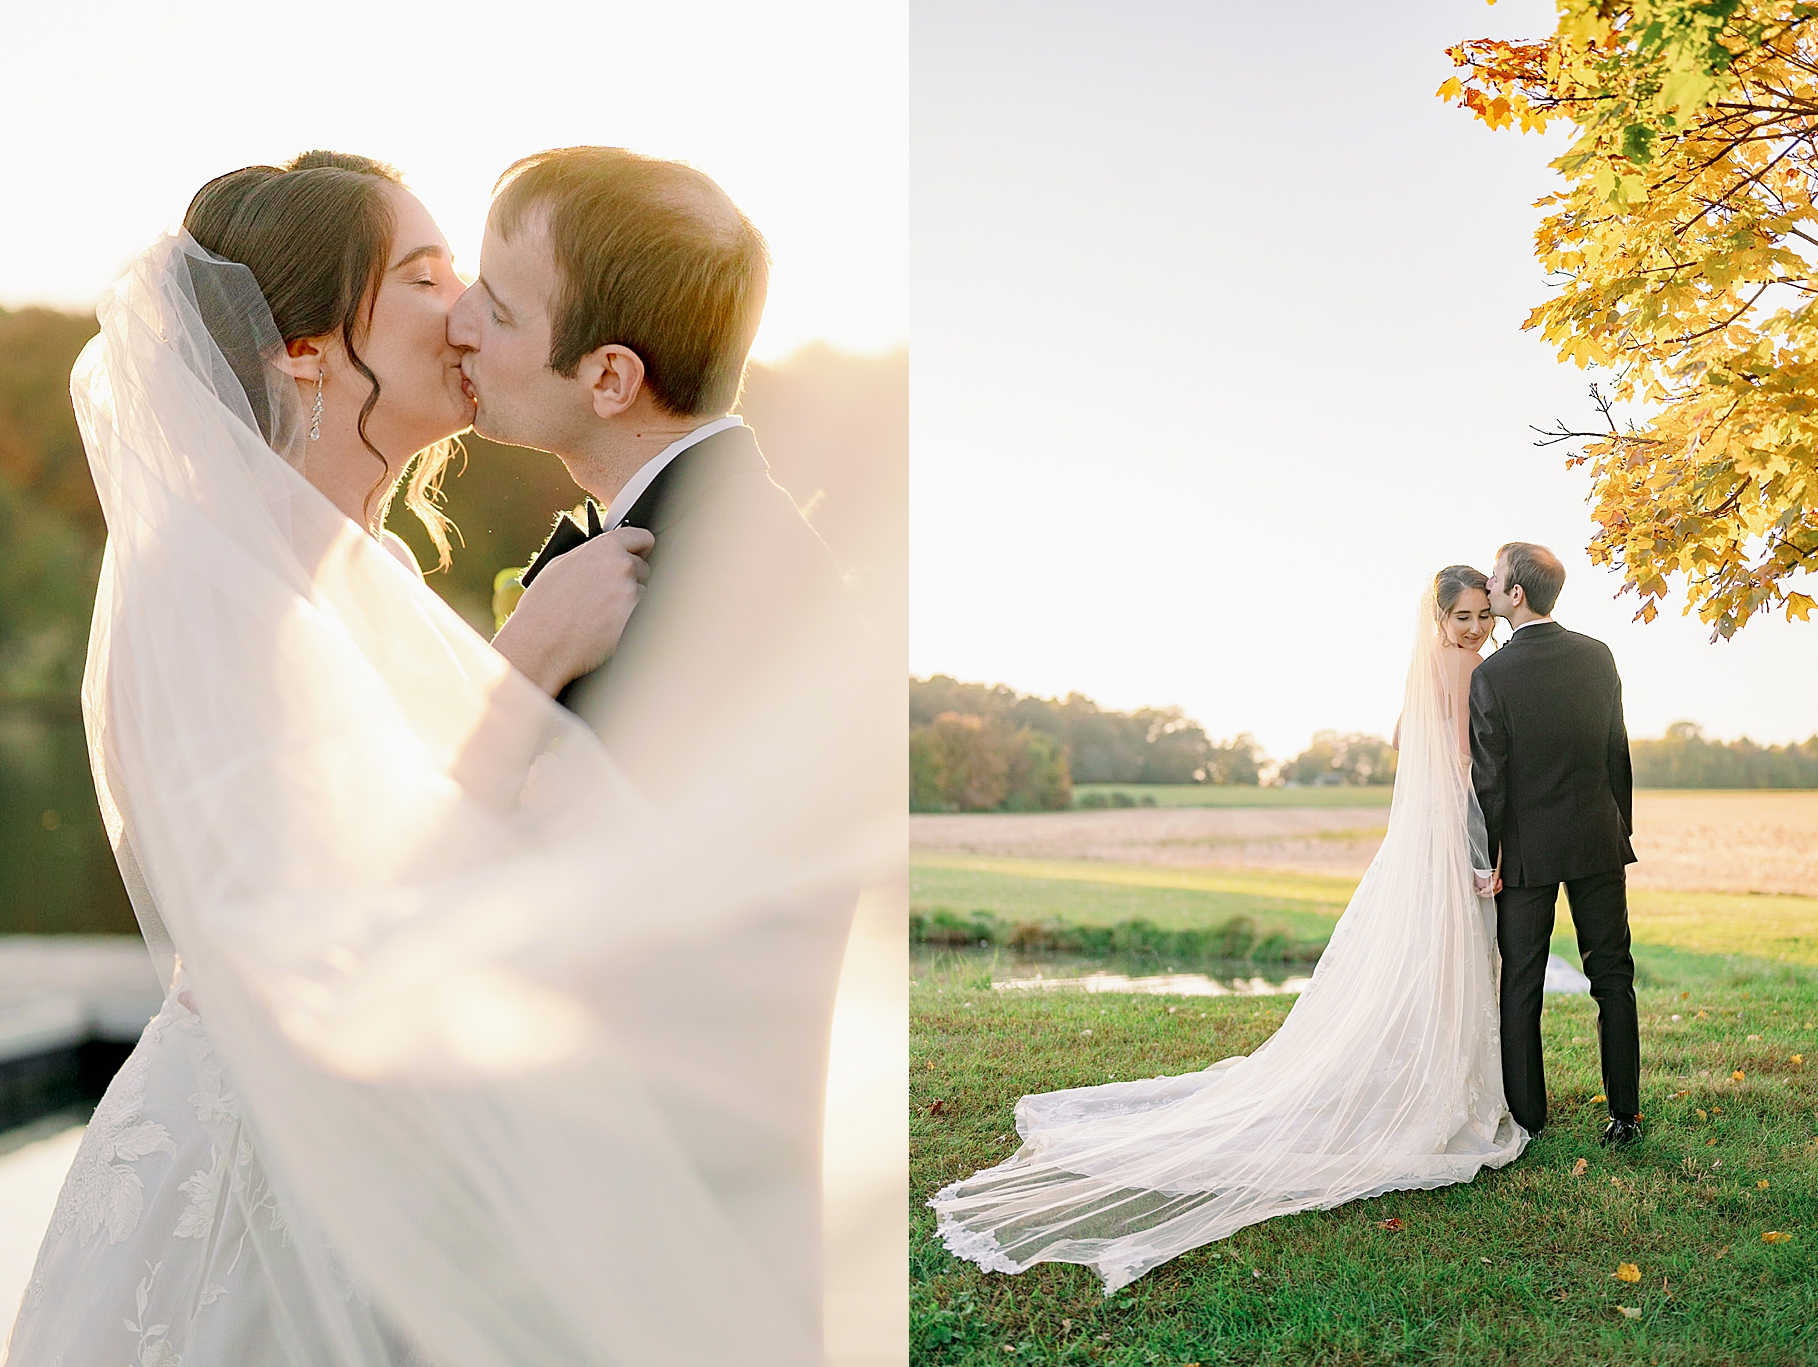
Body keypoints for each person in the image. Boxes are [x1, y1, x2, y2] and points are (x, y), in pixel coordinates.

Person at [6, 149, 876, 1367]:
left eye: (474, 280)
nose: (465, 310)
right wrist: (521, 668)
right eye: (424, 275)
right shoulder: (200, 596)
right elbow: (317, 948)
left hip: (425, 1183)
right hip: (255, 1195)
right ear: (301, 347)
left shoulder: (385, 577)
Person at [447, 146, 888, 1341]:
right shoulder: (664, 543)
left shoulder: (713, 593)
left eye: (496, 303)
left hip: (661, 1260)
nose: (459, 326)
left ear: (607, 374)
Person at [929, 565, 1526, 1294]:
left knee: (1430, 959)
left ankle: (1432, 1071)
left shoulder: (1432, 663)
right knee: (1449, 958)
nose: (1474, 629)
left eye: (1479, 616)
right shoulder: (1466, 665)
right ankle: (1442, 1089)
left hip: (1422, 834)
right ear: (1439, 618)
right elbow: (1473, 766)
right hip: (1450, 835)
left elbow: (1407, 733)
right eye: (1462, 617)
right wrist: (1480, 850)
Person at [1471, 541, 1640, 1146]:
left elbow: (1491, 777)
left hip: (1526, 849)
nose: (1488, 589)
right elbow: (1616, 750)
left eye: (1495, 580)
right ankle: (1625, 1115)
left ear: (1516, 594)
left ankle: (1529, 1120)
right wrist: (1620, 826)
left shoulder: (1493, 675)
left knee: (1522, 983)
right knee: (1613, 976)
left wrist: (1486, 854)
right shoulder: (1598, 657)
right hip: (1598, 838)